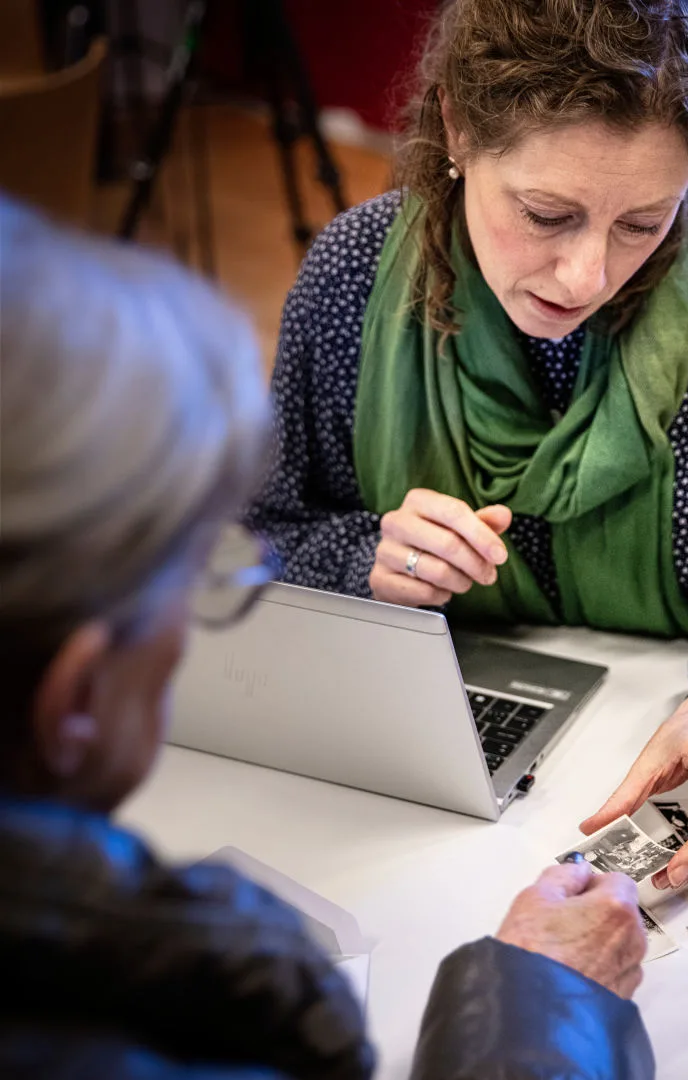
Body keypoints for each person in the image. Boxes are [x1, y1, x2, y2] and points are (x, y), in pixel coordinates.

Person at [246, 0, 688, 891]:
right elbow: (250, 546)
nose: (588, 275)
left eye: (643, 223)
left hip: (655, 761)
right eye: (548, 213)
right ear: (458, 127)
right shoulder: (352, 278)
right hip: (420, 803)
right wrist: (367, 557)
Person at [0, 198, 653, 1079]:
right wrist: (541, 1009)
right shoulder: (181, 1018)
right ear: (75, 697)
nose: (586, 275)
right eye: (205, 582)